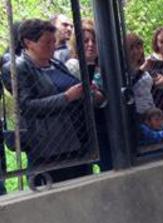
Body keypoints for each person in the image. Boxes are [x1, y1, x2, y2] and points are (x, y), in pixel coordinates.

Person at [15, 19, 99, 184]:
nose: (53, 46)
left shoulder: (57, 63)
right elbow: (26, 106)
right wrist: (66, 97)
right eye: (47, 42)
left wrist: (84, 91)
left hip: (77, 142)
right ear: (28, 43)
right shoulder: (18, 68)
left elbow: (72, 91)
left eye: (54, 41)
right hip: (49, 150)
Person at [64, 19, 112, 172]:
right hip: (83, 128)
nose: (90, 44)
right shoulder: (73, 65)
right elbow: (83, 97)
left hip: (105, 124)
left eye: (94, 41)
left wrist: (100, 97)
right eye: (85, 41)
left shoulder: (103, 67)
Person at [125, 33, 155, 116]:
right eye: (131, 48)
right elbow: (129, 85)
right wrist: (141, 70)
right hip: (136, 113)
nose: (135, 51)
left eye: (138, 47)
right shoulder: (123, 68)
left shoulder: (143, 64)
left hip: (150, 110)